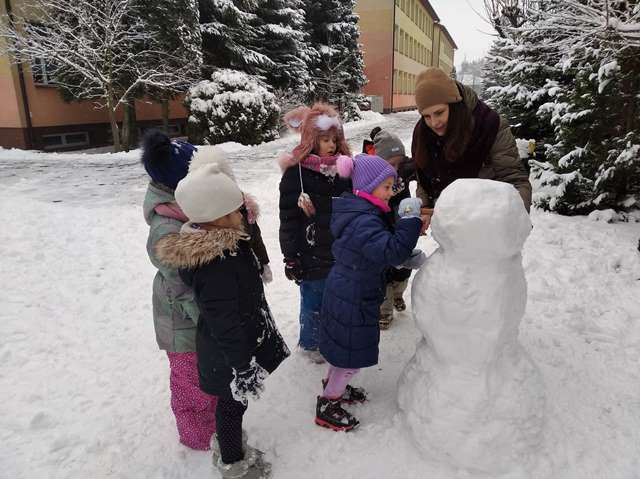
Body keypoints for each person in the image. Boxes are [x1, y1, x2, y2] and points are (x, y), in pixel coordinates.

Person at [156, 163, 290, 479]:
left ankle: (230, 449)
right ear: (215, 218)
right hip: (228, 355)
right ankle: (233, 463)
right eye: (235, 211)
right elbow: (224, 323)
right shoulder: (216, 264)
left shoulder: (226, 242)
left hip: (235, 347)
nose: (241, 215)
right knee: (231, 407)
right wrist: (241, 367)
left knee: (234, 405)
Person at [315, 154, 426, 431]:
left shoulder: (360, 212)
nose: (391, 192)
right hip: (353, 295)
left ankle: (333, 384)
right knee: (350, 357)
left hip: (349, 288)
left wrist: (405, 251)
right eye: (386, 187)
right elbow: (390, 250)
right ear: (367, 187)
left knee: (344, 349)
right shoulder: (363, 220)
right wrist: (410, 219)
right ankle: (328, 403)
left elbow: (378, 248)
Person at [141, 130, 217, 451]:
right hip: (182, 324)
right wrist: (211, 322)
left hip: (201, 315)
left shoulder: (186, 206)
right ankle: (196, 436)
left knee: (209, 374)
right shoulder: (167, 229)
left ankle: (213, 421)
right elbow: (182, 288)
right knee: (190, 382)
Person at [278, 103, 352, 363]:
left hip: (340, 251)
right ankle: (311, 343)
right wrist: (291, 256)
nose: (331, 145)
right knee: (313, 299)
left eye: (334, 139)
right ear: (311, 140)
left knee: (339, 298)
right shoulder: (296, 175)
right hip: (310, 253)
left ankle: (333, 336)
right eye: (325, 140)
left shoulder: (345, 171)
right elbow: (288, 219)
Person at [411, 67, 532, 225]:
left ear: (454, 106)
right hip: (448, 225)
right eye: (426, 116)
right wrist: (425, 208)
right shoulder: (422, 133)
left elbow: (515, 179)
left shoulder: (490, 126)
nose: (434, 123)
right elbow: (423, 179)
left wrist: (511, 219)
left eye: (439, 112)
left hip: (489, 224)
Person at [366, 127, 417, 330]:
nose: (395, 169)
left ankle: (398, 294)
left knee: (403, 269)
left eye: (399, 163)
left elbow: (422, 166)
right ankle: (385, 310)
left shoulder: (404, 168)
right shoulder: (370, 177)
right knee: (385, 272)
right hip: (381, 230)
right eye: (391, 164)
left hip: (402, 226)